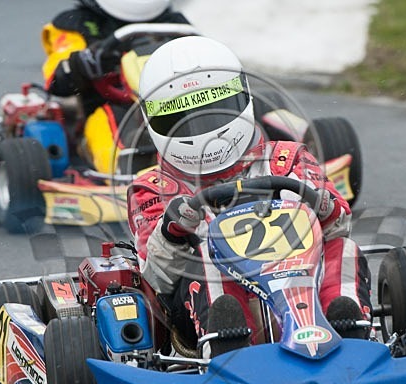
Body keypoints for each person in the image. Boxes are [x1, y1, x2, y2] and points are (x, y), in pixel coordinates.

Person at [126, 36, 372, 356]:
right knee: (204, 258)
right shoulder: (154, 186)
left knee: (344, 249)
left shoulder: (287, 158)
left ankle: (351, 338)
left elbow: (338, 225)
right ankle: (229, 348)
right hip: (203, 314)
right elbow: (156, 274)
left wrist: (322, 203)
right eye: (180, 118)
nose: (204, 128)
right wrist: (172, 231)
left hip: (300, 281)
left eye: (215, 108)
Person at [40, 0, 192, 173]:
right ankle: (131, 178)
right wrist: (83, 62)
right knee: (125, 145)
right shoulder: (76, 23)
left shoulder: (173, 22)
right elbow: (55, 79)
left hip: (177, 103)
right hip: (110, 106)